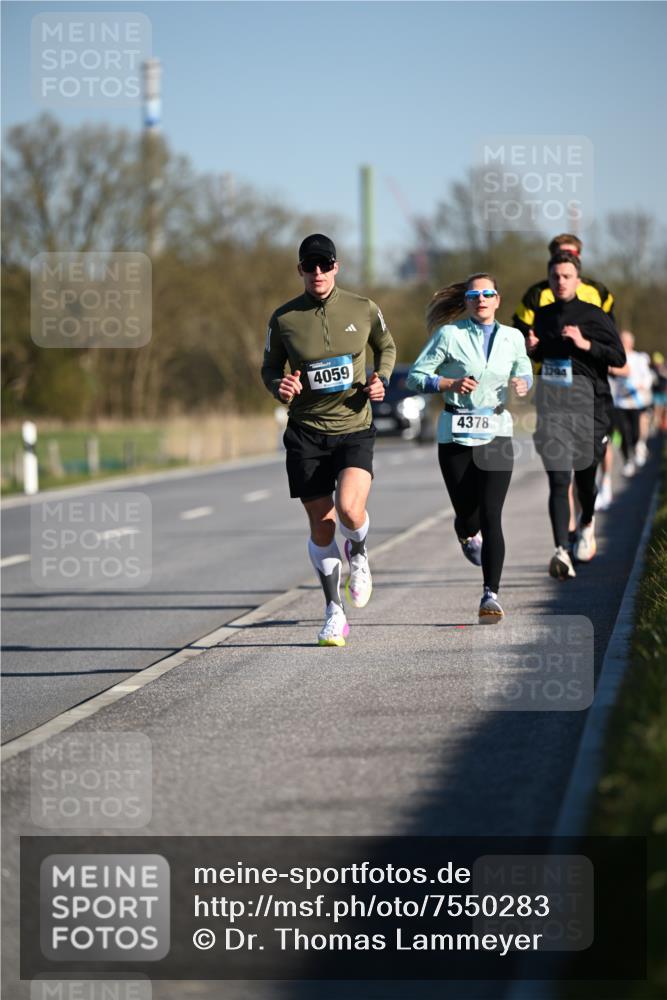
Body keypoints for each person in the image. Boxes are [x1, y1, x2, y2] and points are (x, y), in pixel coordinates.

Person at [261, 234, 396, 646]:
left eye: (324, 264)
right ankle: (333, 612)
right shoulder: (284, 319)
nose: (317, 273)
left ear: (336, 266)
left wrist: (382, 379)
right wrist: (279, 387)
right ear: (300, 270)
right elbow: (269, 367)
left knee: (350, 509)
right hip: (306, 432)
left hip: (354, 425)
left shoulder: (363, 307)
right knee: (322, 526)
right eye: (309, 266)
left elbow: (386, 347)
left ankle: (359, 550)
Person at [407, 273, 532, 623]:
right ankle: (465, 531)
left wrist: (524, 381)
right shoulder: (449, 335)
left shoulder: (513, 337)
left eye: (488, 293)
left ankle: (490, 594)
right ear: (466, 301)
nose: (481, 299)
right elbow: (416, 376)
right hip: (455, 434)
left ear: (498, 299)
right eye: (475, 295)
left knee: (492, 514)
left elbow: (524, 368)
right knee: (469, 513)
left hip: (496, 431)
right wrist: (448, 382)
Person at [530, 252, 625, 580]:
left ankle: (586, 522)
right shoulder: (541, 316)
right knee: (558, 479)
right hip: (553, 409)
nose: (560, 282)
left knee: (585, 480)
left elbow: (618, 357)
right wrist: (534, 349)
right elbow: (546, 355)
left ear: (577, 280)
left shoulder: (595, 315)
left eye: (566, 276)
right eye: (555, 276)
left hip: (591, 409)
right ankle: (560, 550)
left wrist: (586, 344)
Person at [512, 233, 615, 344]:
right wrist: (530, 343)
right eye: (561, 253)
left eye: (571, 253)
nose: (567, 257)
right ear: (552, 257)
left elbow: (610, 335)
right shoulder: (536, 293)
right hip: (546, 360)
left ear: (579, 256)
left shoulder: (599, 291)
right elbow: (518, 332)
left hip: (589, 360)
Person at [609, 331, 654, 476]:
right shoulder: (614, 357)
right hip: (619, 402)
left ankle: (638, 446)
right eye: (621, 340)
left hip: (635, 401)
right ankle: (627, 461)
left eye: (626, 340)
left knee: (635, 433)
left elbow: (647, 376)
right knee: (622, 433)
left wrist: (642, 385)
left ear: (631, 343)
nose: (623, 343)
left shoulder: (639, 358)